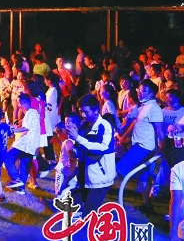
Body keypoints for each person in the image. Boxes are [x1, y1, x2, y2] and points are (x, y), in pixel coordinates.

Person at [116, 79, 164, 213]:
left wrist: (161, 149)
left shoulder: (154, 109)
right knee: (143, 179)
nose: (140, 92)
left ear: (152, 94)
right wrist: (124, 137)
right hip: (139, 146)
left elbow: (160, 131)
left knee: (118, 170)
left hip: (144, 148)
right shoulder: (143, 106)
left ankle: (95, 196)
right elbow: (134, 123)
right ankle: (148, 206)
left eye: (144, 90)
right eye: (140, 89)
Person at [65, 94, 116, 217]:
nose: (82, 115)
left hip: (100, 178)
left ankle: (89, 234)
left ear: (96, 110)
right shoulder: (83, 125)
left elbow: (101, 148)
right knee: (77, 203)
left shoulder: (104, 126)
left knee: (89, 213)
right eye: (81, 111)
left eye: (86, 112)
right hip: (85, 174)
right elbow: (80, 147)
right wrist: (74, 152)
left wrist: (78, 138)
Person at [3, 94, 41, 195]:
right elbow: (21, 124)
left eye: (19, 103)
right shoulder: (33, 113)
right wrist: (13, 127)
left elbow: (25, 128)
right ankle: (21, 189)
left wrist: (13, 131)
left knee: (7, 157)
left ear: (26, 103)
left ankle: (16, 180)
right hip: (32, 146)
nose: (18, 105)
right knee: (24, 165)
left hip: (26, 143)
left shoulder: (30, 112)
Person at [53, 119, 79, 197]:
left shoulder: (67, 142)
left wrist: (70, 167)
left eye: (58, 133)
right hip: (70, 169)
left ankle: (56, 204)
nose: (58, 135)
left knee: (59, 190)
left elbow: (72, 155)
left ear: (63, 131)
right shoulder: (72, 140)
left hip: (63, 169)